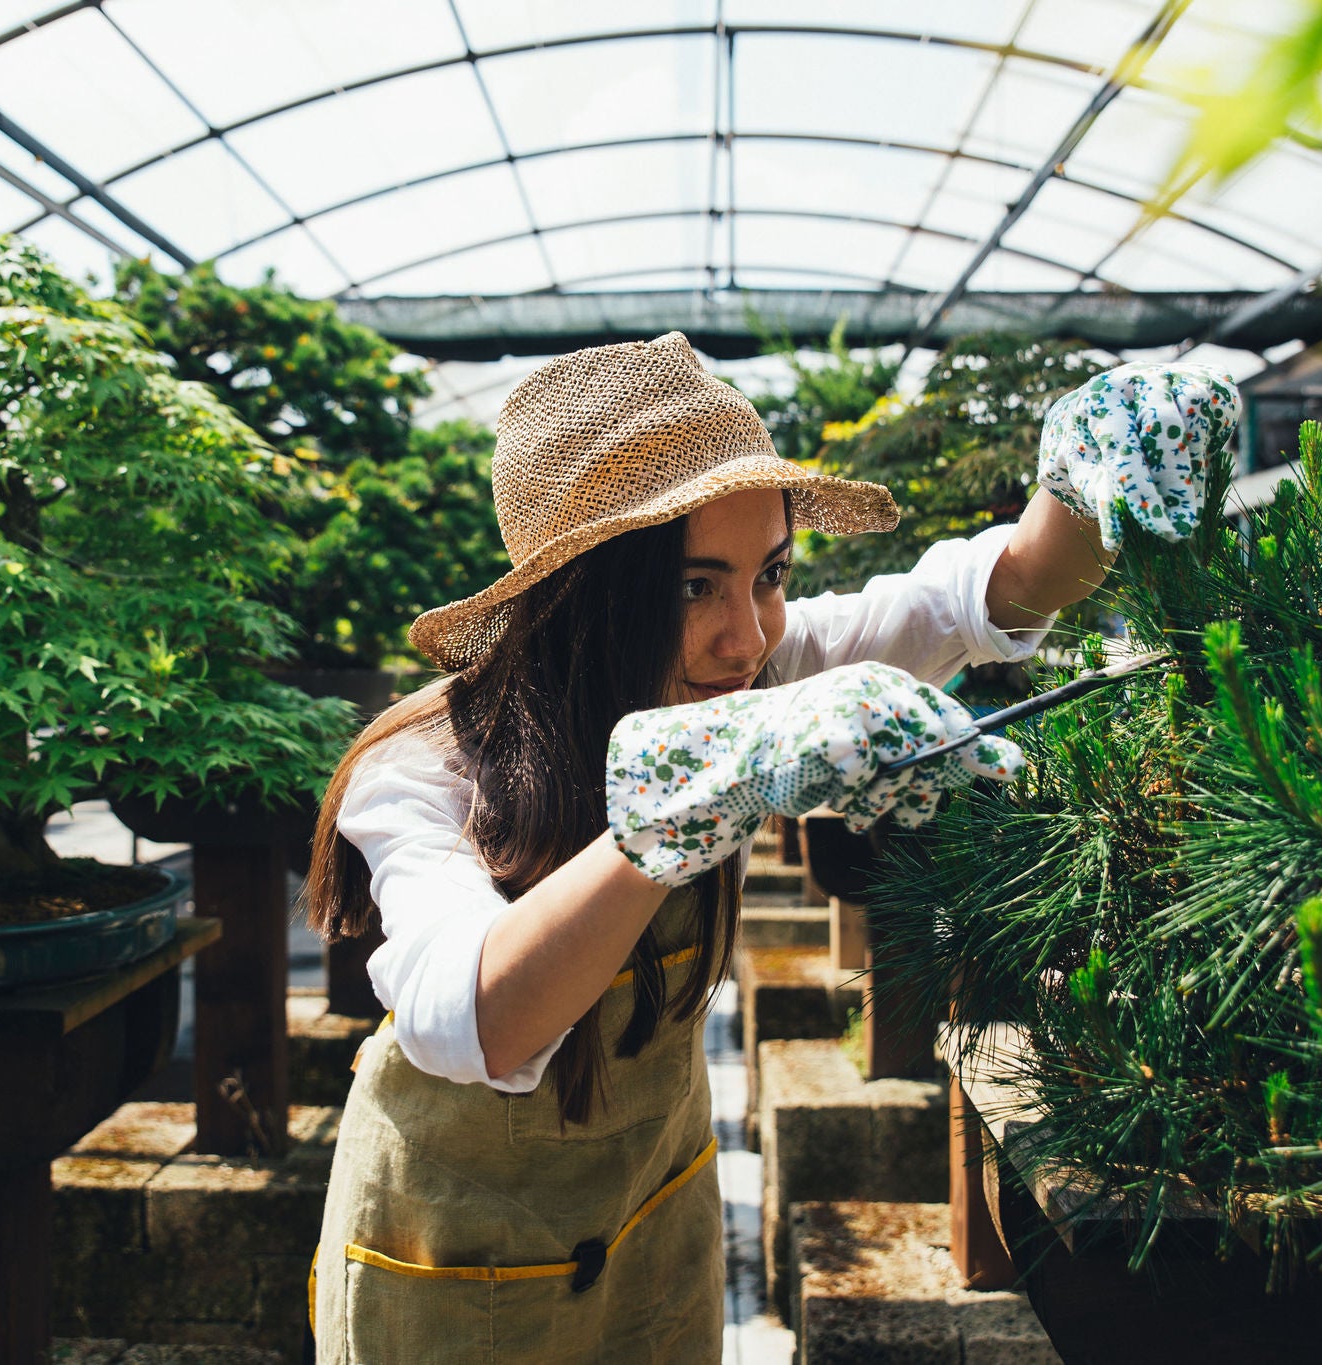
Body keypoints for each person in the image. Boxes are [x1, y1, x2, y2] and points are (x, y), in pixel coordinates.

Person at [302, 333, 1239, 1363]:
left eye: (769, 575)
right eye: (690, 587)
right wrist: (684, 803)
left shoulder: (751, 670)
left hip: (653, 1219)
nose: (745, 637)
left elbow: (983, 592)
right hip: (452, 1257)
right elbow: (463, 1015)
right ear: (584, 591)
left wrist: (1086, 478)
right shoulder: (430, 767)